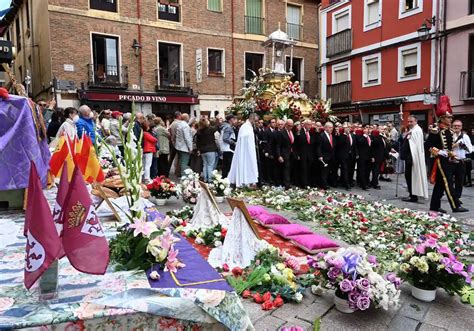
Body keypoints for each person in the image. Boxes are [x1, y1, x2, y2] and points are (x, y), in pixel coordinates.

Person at [425, 96, 468, 213]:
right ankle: (455, 206)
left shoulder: (450, 131)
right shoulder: (436, 131)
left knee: (440, 184)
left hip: (448, 160)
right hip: (440, 161)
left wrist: (451, 154)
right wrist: (441, 152)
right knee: (448, 183)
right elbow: (428, 146)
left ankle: (434, 206)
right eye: (448, 118)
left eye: (450, 117)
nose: (450, 119)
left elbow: (449, 146)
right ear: (442, 118)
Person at [400, 116, 429, 202]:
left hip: (412, 157)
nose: (409, 123)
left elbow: (415, 146)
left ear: (416, 121)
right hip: (409, 157)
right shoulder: (412, 130)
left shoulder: (416, 130)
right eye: (408, 122)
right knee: (409, 176)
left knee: (410, 176)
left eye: (411, 122)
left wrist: (412, 157)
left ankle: (413, 196)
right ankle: (412, 194)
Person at [228, 113, 259, 187]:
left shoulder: (249, 127)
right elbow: (244, 138)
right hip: (245, 151)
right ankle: (244, 181)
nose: (256, 123)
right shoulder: (245, 127)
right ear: (252, 119)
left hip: (250, 150)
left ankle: (250, 181)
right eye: (256, 121)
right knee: (245, 164)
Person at [452, 120, 473, 201]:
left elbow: (470, 149)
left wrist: (462, 146)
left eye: (458, 126)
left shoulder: (465, 137)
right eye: (455, 125)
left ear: (461, 127)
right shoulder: (448, 135)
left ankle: (456, 198)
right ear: (452, 126)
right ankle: (451, 196)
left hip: (460, 161)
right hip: (449, 161)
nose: (456, 127)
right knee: (448, 181)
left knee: (459, 181)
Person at [196, 118, 219, 182]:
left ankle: (205, 179)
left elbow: (197, 142)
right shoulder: (210, 129)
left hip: (203, 150)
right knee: (210, 165)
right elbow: (217, 127)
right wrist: (217, 120)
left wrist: (199, 149)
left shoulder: (198, 131)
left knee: (205, 165)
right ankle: (210, 179)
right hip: (211, 149)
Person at [276, 119, 295, 190]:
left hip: (292, 153)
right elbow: (278, 145)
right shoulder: (282, 133)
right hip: (285, 153)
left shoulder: (292, 132)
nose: (291, 127)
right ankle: (287, 184)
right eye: (289, 126)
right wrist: (279, 155)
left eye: (292, 126)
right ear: (286, 125)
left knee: (290, 168)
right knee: (286, 169)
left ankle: (290, 182)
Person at [296, 120, 316, 188]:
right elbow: (297, 144)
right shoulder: (300, 131)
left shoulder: (311, 132)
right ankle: (303, 184)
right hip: (302, 154)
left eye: (310, 125)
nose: (310, 126)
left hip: (310, 154)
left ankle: (309, 182)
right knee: (303, 169)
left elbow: (312, 143)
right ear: (304, 125)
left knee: (309, 169)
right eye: (308, 125)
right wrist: (298, 154)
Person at [335, 125, 357, 190]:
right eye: (346, 128)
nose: (348, 129)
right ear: (344, 129)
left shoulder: (353, 135)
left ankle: (349, 182)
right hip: (343, 156)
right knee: (345, 169)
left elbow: (354, 146)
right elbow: (340, 144)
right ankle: (346, 184)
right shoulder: (341, 136)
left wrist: (356, 154)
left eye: (349, 128)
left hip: (351, 156)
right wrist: (345, 135)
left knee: (350, 169)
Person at [317, 121, 336, 190]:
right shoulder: (321, 135)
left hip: (331, 157)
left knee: (328, 171)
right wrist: (320, 156)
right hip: (324, 157)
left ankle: (327, 183)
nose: (331, 129)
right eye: (330, 127)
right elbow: (318, 147)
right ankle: (323, 185)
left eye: (332, 127)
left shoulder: (332, 135)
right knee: (324, 172)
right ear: (326, 128)